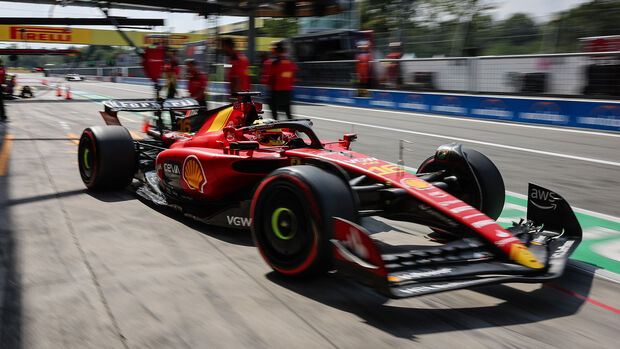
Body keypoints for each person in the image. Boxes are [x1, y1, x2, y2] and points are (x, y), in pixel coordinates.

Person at [261, 41, 297, 120]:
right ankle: (293, 129)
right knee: (289, 115)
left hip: (275, 93)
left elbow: (268, 80)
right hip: (287, 92)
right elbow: (293, 76)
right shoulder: (290, 62)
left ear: (275, 50)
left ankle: (277, 130)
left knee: (275, 117)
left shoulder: (272, 63)